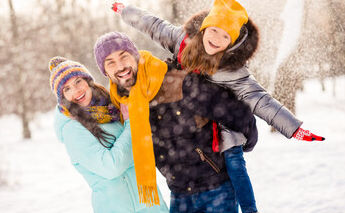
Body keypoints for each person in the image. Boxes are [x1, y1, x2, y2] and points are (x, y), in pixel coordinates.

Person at [111, 0, 325, 212]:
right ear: (204, 28)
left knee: (234, 162)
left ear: (230, 43)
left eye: (225, 36)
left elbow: (260, 98)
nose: (216, 38)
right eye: (213, 30)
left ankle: (250, 208)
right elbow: (154, 25)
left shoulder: (233, 70)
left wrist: (293, 128)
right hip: (189, 117)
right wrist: (126, 12)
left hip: (222, 122)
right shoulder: (181, 41)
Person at [93, 31, 259, 213]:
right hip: (179, 194)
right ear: (106, 71)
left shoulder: (176, 81)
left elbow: (233, 110)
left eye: (123, 56)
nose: (120, 66)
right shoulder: (122, 102)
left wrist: (249, 142)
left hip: (215, 189)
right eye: (111, 62)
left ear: (135, 55)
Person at [49, 56, 169, 213]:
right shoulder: (73, 130)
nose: (76, 90)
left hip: (150, 203)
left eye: (78, 81)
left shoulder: (110, 108)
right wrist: (130, 125)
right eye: (67, 89)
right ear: (63, 98)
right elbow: (111, 167)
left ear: (87, 81)